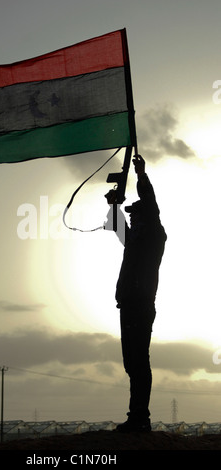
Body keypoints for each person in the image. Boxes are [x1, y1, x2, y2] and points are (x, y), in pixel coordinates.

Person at [112, 154, 167, 433]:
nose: (132, 220)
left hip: (141, 306)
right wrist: (113, 206)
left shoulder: (153, 236)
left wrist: (141, 175)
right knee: (132, 363)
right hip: (129, 306)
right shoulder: (136, 241)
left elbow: (150, 205)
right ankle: (137, 416)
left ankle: (140, 418)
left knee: (138, 361)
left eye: (136, 216)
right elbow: (118, 227)